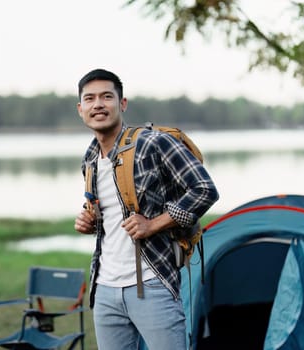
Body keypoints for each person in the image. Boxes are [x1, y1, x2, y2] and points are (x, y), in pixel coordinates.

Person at [74, 68, 219, 350]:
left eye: (107, 96)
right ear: (81, 109)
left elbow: (204, 189)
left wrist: (153, 225)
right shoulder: (90, 159)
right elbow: (112, 212)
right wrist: (90, 222)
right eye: (89, 99)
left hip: (152, 282)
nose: (98, 105)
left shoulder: (153, 143)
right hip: (104, 287)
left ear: (122, 103)